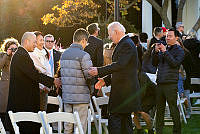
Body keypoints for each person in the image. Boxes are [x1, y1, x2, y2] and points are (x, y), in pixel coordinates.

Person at [89, 22, 141, 134]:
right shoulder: (125, 43)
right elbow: (121, 70)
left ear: (116, 32)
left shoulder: (126, 44)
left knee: (115, 121)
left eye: (110, 34)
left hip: (123, 92)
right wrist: (105, 80)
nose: (109, 37)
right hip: (124, 91)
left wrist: (99, 70)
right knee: (125, 123)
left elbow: (119, 65)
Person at [6, 32, 61, 134]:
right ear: (27, 41)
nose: (36, 45)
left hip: (24, 102)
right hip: (23, 104)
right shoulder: (22, 55)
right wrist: (53, 81)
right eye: (34, 42)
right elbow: (34, 75)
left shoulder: (22, 54)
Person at [60, 28, 92, 134]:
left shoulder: (63, 55)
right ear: (83, 40)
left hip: (67, 97)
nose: (85, 45)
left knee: (67, 127)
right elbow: (89, 76)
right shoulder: (84, 55)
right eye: (86, 42)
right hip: (81, 97)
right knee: (80, 128)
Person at [152, 28, 184, 134]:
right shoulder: (164, 48)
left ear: (176, 38)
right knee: (159, 110)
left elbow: (174, 64)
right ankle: (159, 131)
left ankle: (177, 131)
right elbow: (154, 63)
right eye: (166, 36)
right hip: (160, 82)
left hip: (171, 83)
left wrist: (165, 52)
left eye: (170, 36)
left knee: (173, 109)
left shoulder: (179, 50)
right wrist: (155, 52)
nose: (167, 38)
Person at [29, 31, 52, 111]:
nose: (42, 42)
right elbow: (36, 72)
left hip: (45, 90)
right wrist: (42, 86)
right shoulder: (31, 54)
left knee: (43, 113)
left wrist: (48, 85)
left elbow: (48, 70)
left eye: (43, 40)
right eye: (40, 40)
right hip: (36, 90)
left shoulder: (44, 53)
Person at [0, 38, 19, 129]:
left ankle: (11, 127)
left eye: (15, 48)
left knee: (13, 108)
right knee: (3, 107)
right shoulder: (3, 55)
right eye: (11, 48)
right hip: (5, 87)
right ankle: (3, 127)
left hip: (15, 86)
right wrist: (7, 55)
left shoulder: (18, 58)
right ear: (7, 48)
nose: (13, 51)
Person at [85, 23, 104, 97]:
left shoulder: (84, 41)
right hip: (95, 71)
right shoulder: (99, 42)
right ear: (96, 31)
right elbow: (100, 60)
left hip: (84, 71)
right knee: (95, 95)